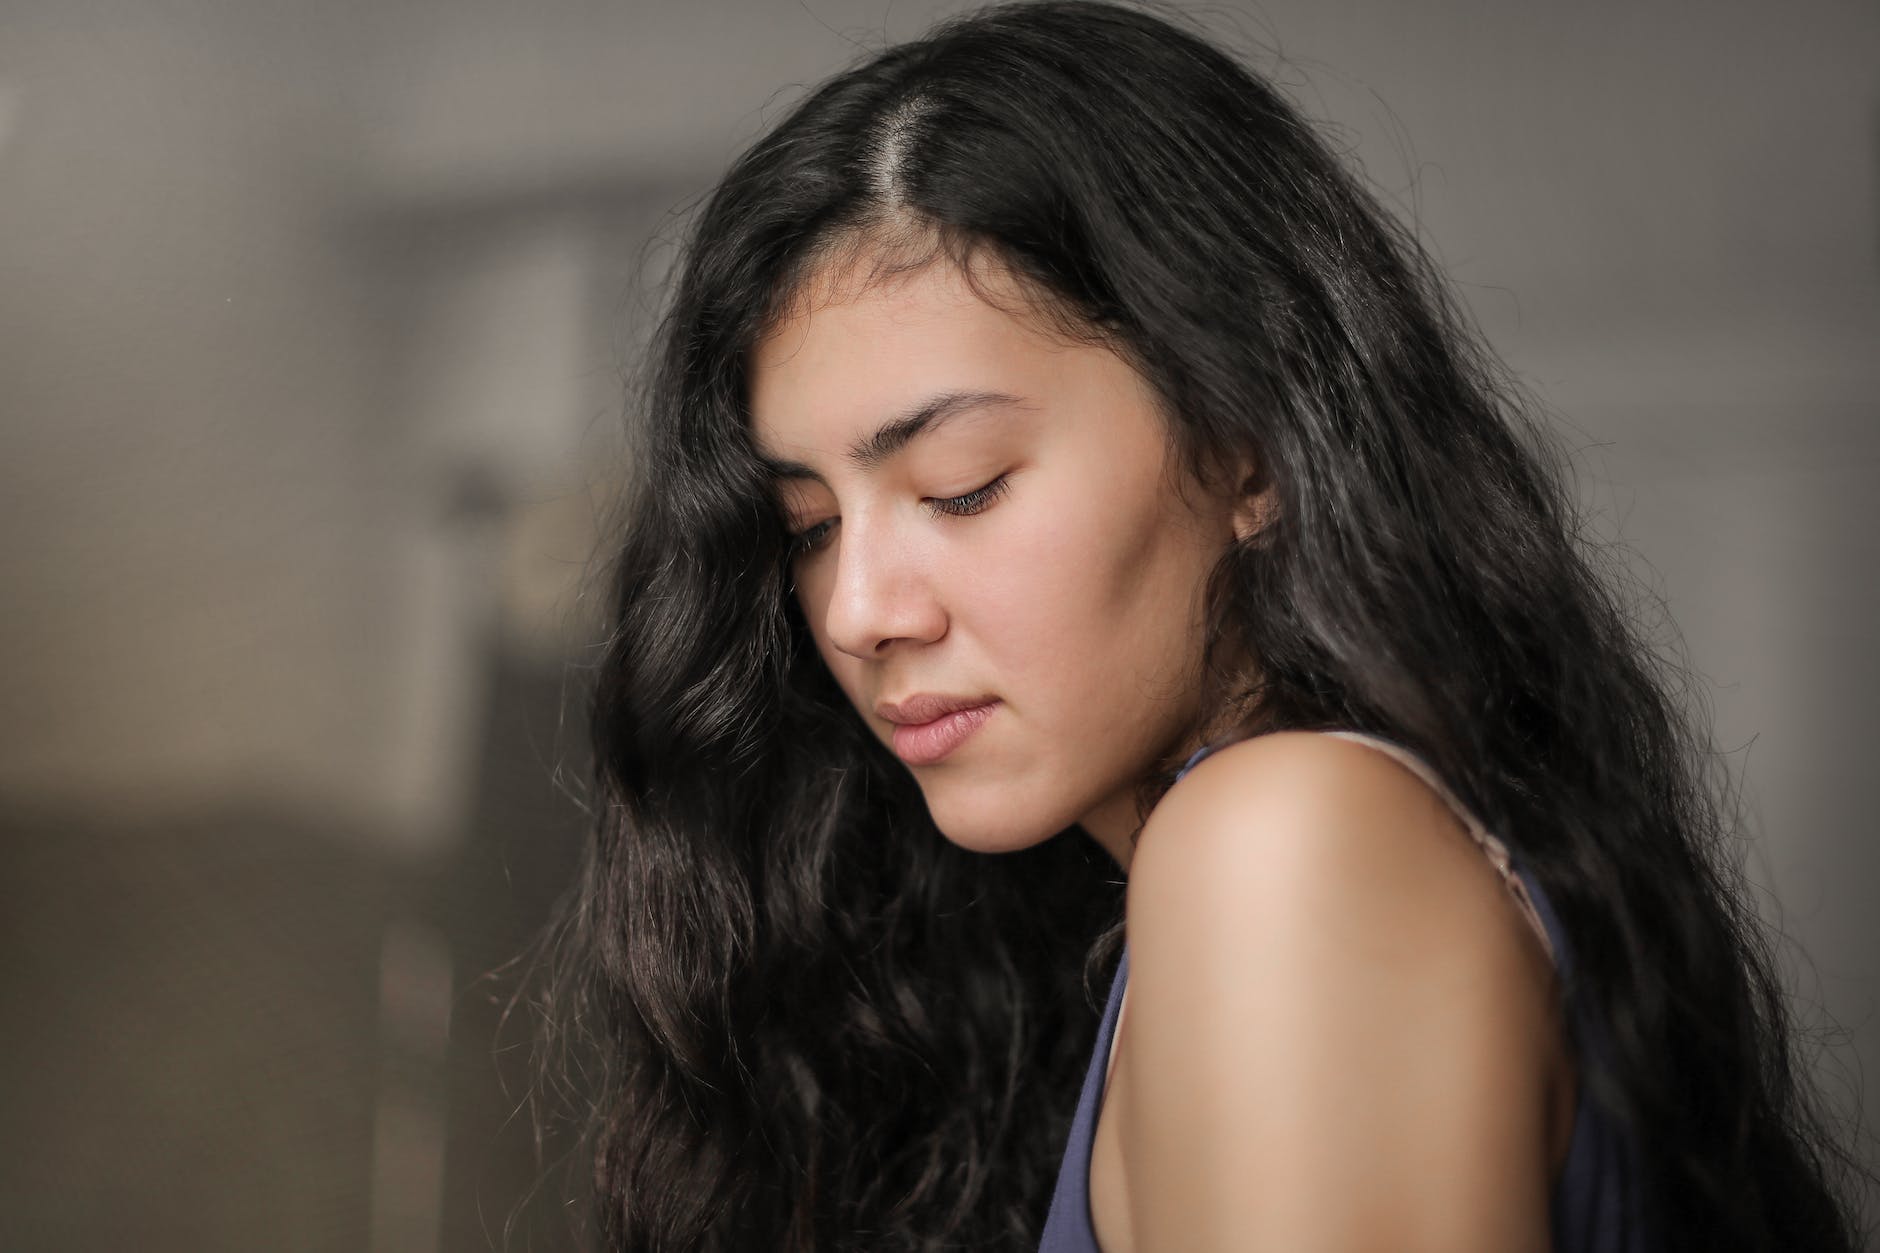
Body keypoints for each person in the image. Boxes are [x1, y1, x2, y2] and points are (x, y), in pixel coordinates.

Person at [532, 1, 1871, 1248]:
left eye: (962, 487)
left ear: (1246, 451)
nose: (864, 609)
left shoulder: (1283, 844)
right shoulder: (1191, 906)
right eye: (810, 527)